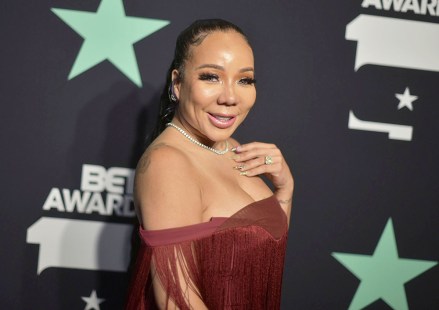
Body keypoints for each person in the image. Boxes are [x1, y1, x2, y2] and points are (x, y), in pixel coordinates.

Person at [125, 19, 294, 310]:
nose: (229, 97)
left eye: (244, 80)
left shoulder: (234, 148)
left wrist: (285, 191)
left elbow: (261, 260)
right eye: (210, 77)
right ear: (177, 84)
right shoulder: (167, 163)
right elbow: (177, 301)